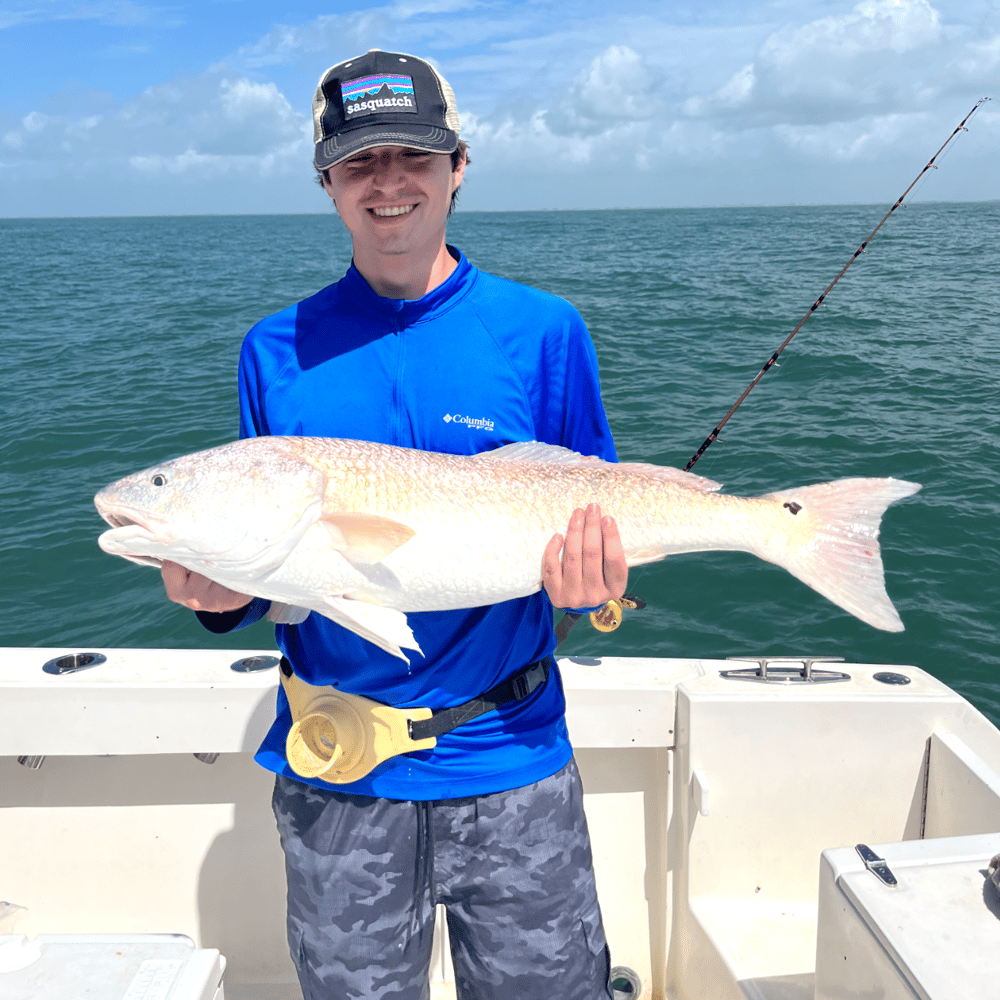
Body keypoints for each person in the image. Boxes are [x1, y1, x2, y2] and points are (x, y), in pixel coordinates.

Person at [162, 48, 627, 1000]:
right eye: (361, 162)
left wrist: (602, 599)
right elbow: (279, 565)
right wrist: (220, 600)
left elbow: (598, 532)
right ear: (327, 182)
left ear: (458, 168)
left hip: (515, 760)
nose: (390, 184)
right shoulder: (274, 350)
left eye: (413, 156)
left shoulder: (543, 332)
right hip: (341, 775)